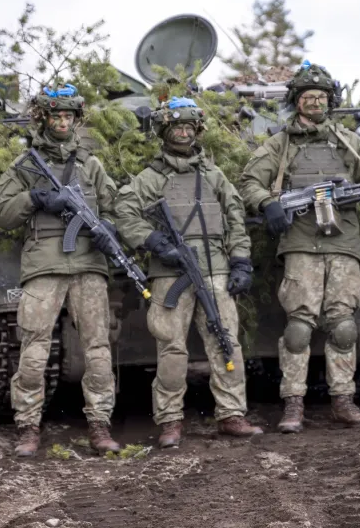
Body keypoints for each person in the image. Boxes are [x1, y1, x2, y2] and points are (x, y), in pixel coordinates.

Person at [238, 61, 360, 433]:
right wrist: (268, 203)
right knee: (299, 327)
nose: (315, 103)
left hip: (343, 242)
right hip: (301, 243)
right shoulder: (280, 145)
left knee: (343, 326)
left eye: (321, 97)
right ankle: (293, 404)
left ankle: (344, 400)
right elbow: (249, 182)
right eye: (308, 97)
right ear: (296, 101)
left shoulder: (348, 141)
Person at [113, 97, 263, 448]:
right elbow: (125, 213)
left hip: (215, 268)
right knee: (171, 349)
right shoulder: (150, 178)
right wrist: (155, 242)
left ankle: (231, 414)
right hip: (170, 273)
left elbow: (236, 219)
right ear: (165, 132)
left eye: (188, 127)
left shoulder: (213, 176)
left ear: (197, 131)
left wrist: (241, 261)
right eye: (176, 127)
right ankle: (170, 420)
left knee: (226, 342)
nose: (183, 133)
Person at [0, 84, 122, 457]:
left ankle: (99, 425)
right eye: (56, 116)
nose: (63, 122)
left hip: (88, 266)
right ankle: (28, 428)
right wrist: (35, 197)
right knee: (33, 352)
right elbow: (2, 215)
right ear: (44, 119)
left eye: (69, 116)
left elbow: (114, 206)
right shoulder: (25, 166)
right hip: (44, 267)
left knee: (97, 350)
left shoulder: (90, 164)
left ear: (76, 120)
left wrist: (108, 227)